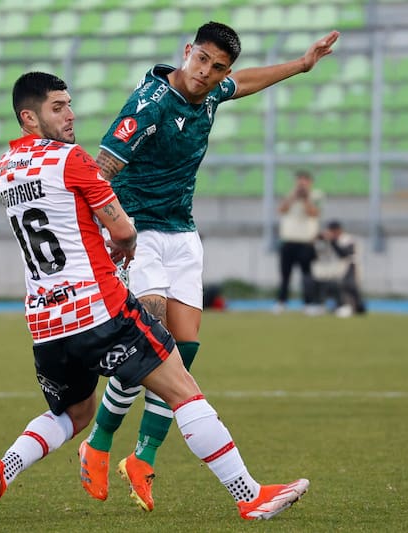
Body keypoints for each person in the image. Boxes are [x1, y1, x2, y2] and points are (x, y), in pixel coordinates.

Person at [0, 71, 309, 522]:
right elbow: (123, 229)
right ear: (29, 117)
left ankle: (2, 468)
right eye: (57, 108)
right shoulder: (74, 161)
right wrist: (122, 247)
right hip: (99, 309)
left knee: (74, 412)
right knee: (183, 389)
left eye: (69, 104)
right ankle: (249, 495)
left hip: (46, 323)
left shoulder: (5, 170)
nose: (70, 115)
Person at [78, 22, 338, 512]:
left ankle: (143, 456)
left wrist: (303, 65)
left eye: (217, 66)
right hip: (141, 233)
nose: (206, 73)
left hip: (183, 233)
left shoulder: (214, 91)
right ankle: (99, 440)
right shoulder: (149, 104)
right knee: (150, 342)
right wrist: (106, 233)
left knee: (185, 347)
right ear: (186, 52)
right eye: (201, 60)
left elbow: (248, 81)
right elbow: (100, 169)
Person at [274, 170, 324, 315]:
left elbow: (313, 213)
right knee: (285, 275)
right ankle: (281, 302)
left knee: (307, 275)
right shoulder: (289, 195)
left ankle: (308, 303)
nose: (302, 185)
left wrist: (306, 198)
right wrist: (294, 196)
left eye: (305, 181)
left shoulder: (317, 196)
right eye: (299, 181)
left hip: (306, 242)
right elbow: (282, 209)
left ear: (310, 183)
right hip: (288, 241)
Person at [313, 220, 367, 317]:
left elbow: (344, 254)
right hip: (337, 268)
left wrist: (332, 241)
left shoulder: (348, 239)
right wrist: (319, 238)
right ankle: (342, 306)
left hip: (350, 266)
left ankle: (356, 306)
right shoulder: (330, 240)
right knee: (334, 287)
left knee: (350, 287)